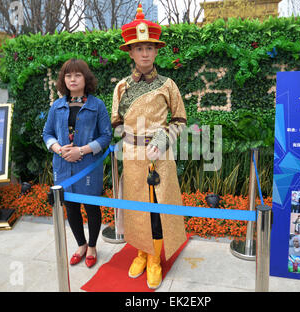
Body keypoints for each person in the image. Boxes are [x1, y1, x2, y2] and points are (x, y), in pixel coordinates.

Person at [111, 4, 188, 290]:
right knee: (135, 207)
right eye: (138, 48)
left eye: (149, 48)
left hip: (160, 155)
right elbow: (116, 123)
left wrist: (161, 139)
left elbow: (180, 120)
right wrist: (128, 137)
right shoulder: (121, 87)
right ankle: (140, 252)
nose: (144, 53)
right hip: (132, 157)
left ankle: (155, 257)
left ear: (157, 51)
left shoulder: (168, 85)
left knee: (156, 208)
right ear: (130, 52)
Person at [43, 58, 112, 268]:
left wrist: (81, 150)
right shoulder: (57, 106)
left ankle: (92, 247)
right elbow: (47, 133)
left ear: (85, 78)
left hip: (87, 166)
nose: (73, 79)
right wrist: (58, 149)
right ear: (64, 80)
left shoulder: (96, 105)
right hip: (63, 166)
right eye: (68, 75)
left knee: (91, 207)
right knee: (70, 207)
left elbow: (106, 136)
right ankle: (80, 245)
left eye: (77, 75)